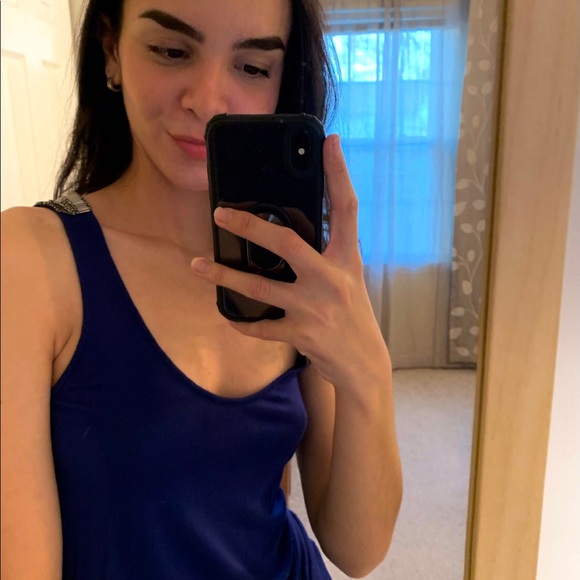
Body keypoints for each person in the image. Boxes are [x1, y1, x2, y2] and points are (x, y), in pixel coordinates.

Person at [1, 0, 402, 578]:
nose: (209, 101)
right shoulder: (29, 260)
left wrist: (369, 374)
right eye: (171, 51)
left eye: (253, 67)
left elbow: (358, 550)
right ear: (111, 52)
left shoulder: (297, 262)